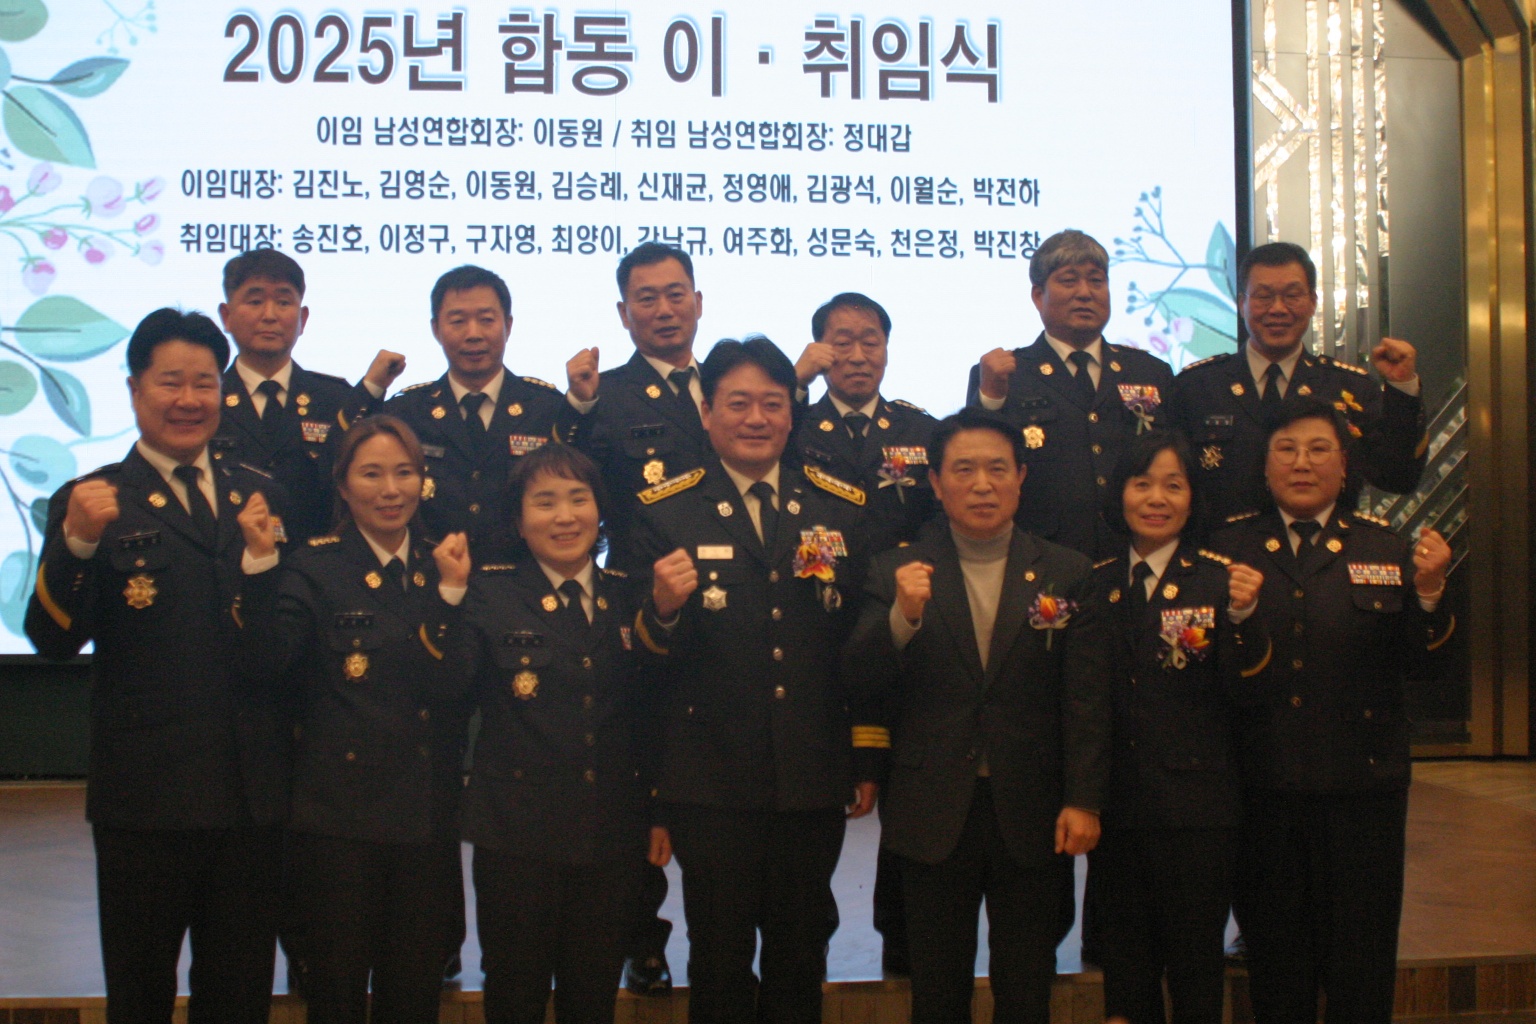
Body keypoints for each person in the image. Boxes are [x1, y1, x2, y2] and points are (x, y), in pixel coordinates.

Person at [25, 308, 289, 1024]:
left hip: (248, 796)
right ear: (135, 389)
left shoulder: (259, 494)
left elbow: (278, 646)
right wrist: (78, 544)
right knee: (139, 993)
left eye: (204, 383)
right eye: (170, 382)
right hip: (145, 800)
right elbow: (52, 640)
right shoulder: (92, 499)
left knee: (238, 995)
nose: (189, 400)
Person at [630, 337, 879, 1024]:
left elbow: (858, 646)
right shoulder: (664, 511)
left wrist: (864, 755)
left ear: (792, 413)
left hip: (811, 773)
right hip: (709, 780)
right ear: (706, 412)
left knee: (801, 949)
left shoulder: (838, 508)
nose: (757, 418)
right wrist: (662, 610)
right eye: (738, 403)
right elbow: (642, 663)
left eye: (772, 403)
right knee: (719, 951)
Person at [841, 407, 1110, 1024]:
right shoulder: (895, 570)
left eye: (997, 469)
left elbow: (1086, 699)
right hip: (931, 809)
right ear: (936, 483)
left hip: (1034, 808)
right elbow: (860, 679)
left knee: (1027, 991)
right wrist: (902, 618)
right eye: (963, 470)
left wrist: (1084, 799)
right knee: (937, 993)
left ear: (1021, 477)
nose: (982, 485)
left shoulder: (1067, 571)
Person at [1210, 398, 1452, 1023]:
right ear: (1265, 466)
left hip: (1363, 790)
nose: (1302, 463)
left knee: (1362, 962)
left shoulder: (1385, 547)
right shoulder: (1227, 550)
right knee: (1275, 961)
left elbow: (1423, 663)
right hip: (1263, 789)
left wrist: (1429, 594)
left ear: (1344, 466)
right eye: (1286, 449)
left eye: (1319, 449)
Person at [235, 415, 471, 1024]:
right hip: (337, 823)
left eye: (404, 472)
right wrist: (258, 567)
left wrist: (449, 597)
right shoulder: (312, 567)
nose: (390, 489)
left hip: (425, 820)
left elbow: (456, 690)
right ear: (342, 485)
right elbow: (267, 664)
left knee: (414, 996)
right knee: (336, 996)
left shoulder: (446, 566)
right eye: (371, 474)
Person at [459, 443, 656, 1024]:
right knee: (514, 993)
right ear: (519, 522)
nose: (565, 517)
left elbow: (651, 713)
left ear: (600, 511)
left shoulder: (630, 593)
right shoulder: (487, 593)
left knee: (592, 996)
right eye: (544, 503)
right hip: (515, 836)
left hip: (611, 833)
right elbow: (449, 691)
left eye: (578, 499)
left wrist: (658, 810)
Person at [563, 241, 712, 992]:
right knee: (637, 777)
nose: (664, 309)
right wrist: (579, 407)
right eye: (646, 298)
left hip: (730, 606)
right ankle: (642, 941)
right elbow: (568, 478)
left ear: (699, 303)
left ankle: (722, 933)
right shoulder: (606, 397)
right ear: (624, 313)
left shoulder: (731, 385)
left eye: (675, 293)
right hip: (636, 609)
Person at [1088, 431, 1268, 1024]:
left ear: (1193, 498)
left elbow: (1247, 689)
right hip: (1116, 808)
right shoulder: (1097, 582)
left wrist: (1244, 617)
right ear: (1120, 493)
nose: (1156, 499)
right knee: (1125, 962)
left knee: (1195, 965)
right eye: (1142, 484)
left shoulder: (1221, 582)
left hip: (1198, 811)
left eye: (1173, 485)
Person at [790, 290, 939, 973]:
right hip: (817, 626)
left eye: (870, 340)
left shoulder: (918, 429)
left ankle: (903, 942)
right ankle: (808, 943)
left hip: (903, 625)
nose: (857, 354)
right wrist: (793, 383)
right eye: (841, 341)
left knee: (910, 800)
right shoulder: (794, 424)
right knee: (817, 805)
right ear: (820, 350)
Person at [1172, 241, 1427, 523]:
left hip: (1322, 549)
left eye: (1292, 295)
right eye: (1264, 296)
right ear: (1242, 304)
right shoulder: (1197, 387)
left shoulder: (1349, 388)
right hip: (1221, 549)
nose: (1278, 309)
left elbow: (1399, 477)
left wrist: (1402, 387)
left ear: (1313, 302)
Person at [967, 229, 1176, 558]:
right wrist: (990, 398)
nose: (1085, 293)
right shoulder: (1007, 374)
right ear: (1039, 296)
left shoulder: (1149, 372)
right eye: (1069, 281)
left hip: (1133, 554)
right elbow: (977, 460)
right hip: (1042, 559)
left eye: (1096, 281)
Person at [385, 265, 576, 564]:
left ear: (508, 325)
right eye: (458, 321)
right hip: (430, 576)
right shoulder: (406, 412)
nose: (473, 334)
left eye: (486, 320)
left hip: (523, 577)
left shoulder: (547, 408)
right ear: (436, 329)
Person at [213, 249, 405, 545]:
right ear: (226, 316)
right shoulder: (206, 402)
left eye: (283, 302)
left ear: (302, 318)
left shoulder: (335, 399)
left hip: (319, 564)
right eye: (255, 301)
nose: (269, 315)